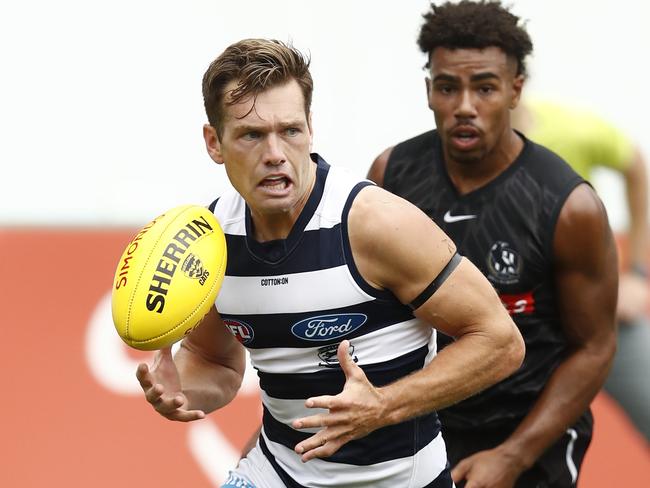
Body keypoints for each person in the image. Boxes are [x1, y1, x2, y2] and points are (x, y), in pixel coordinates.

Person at [135, 38, 525, 488]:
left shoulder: (373, 224)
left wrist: (383, 405)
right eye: (252, 134)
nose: (276, 153)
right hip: (278, 472)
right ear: (214, 142)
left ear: (311, 128)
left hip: (397, 479)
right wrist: (180, 387)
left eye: (291, 130)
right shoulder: (210, 241)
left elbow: (500, 342)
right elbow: (215, 364)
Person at [367, 2, 618, 487]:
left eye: (484, 87)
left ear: (514, 91)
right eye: (447, 87)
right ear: (429, 92)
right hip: (423, 424)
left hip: (527, 432)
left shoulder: (569, 206)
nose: (465, 105)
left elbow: (594, 347)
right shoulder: (391, 177)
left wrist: (511, 456)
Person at [513, 99, 650, 442]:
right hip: (522, 329)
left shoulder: (572, 130)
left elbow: (634, 165)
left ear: (517, 81)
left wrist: (637, 272)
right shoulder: (454, 152)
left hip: (601, 314)